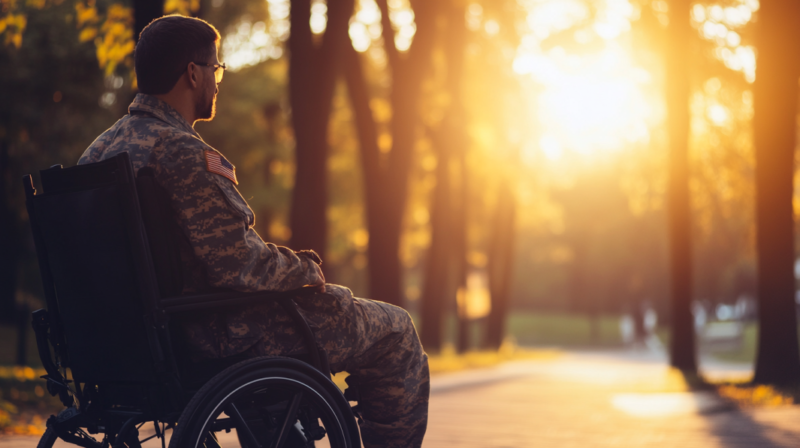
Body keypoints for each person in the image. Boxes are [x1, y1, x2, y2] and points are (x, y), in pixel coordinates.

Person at [78, 14, 429, 448]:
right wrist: (305, 270)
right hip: (217, 338)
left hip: (125, 344)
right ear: (193, 73)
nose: (218, 81)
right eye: (216, 68)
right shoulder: (183, 153)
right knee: (396, 329)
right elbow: (239, 267)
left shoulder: (95, 155)